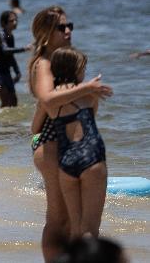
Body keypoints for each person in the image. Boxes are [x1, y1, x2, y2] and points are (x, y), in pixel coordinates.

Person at [28, 6, 111, 262]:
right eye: (61, 27)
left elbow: (38, 117)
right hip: (52, 144)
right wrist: (87, 88)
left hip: (56, 144)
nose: (68, 31)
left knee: (66, 220)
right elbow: (47, 99)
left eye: (69, 26)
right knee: (60, 219)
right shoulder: (43, 63)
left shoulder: (59, 61)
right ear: (46, 33)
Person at [50, 47, 107, 240]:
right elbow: (92, 119)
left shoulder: (50, 100)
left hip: (66, 161)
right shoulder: (90, 95)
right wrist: (91, 88)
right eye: (83, 68)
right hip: (91, 157)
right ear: (75, 70)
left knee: (75, 230)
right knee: (91, 230)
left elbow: (35, 127)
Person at [0, 11, 31, 107]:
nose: (15, 22)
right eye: (12, 21)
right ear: (4, 23)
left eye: (16, 20)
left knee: (14, 100)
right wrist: (24, 49)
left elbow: (10, 56)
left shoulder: (10, 37)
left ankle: (11, 122)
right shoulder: (1, 35)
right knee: (6, 99)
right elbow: (5, 50)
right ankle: (1, 121)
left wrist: (17, 72)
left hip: (5, 72)